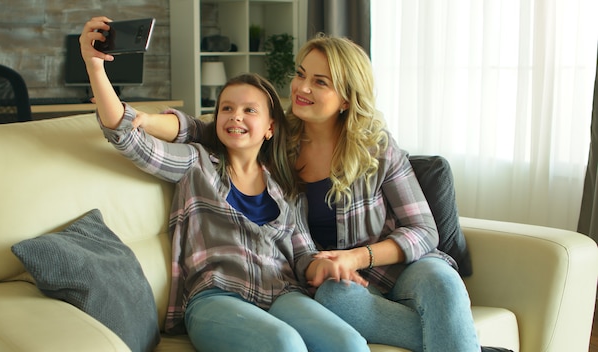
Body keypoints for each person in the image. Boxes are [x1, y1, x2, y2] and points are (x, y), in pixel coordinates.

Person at [131, 31, 513, 352]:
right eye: (301, 75)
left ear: (346, 98)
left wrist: (357, 257)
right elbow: (210, 129)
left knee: (442, 281)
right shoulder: (277, 141)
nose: (301, 87)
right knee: (334, 300)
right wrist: (146, 119)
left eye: (320, 82)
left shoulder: (376, 147)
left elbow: (424, 232)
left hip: (400, 266)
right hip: (334, 284)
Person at [79, 17, 369, 352]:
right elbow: (127, 137)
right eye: (226, 108)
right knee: (284, 343)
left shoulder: (285, 185)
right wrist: (96, 68)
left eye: (249, 110)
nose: (235, 116)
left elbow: (303, 254)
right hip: (216, 297)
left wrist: (325, 265)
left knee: (349, 342)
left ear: (270, 127)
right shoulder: (195, 163)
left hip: (281, 293)